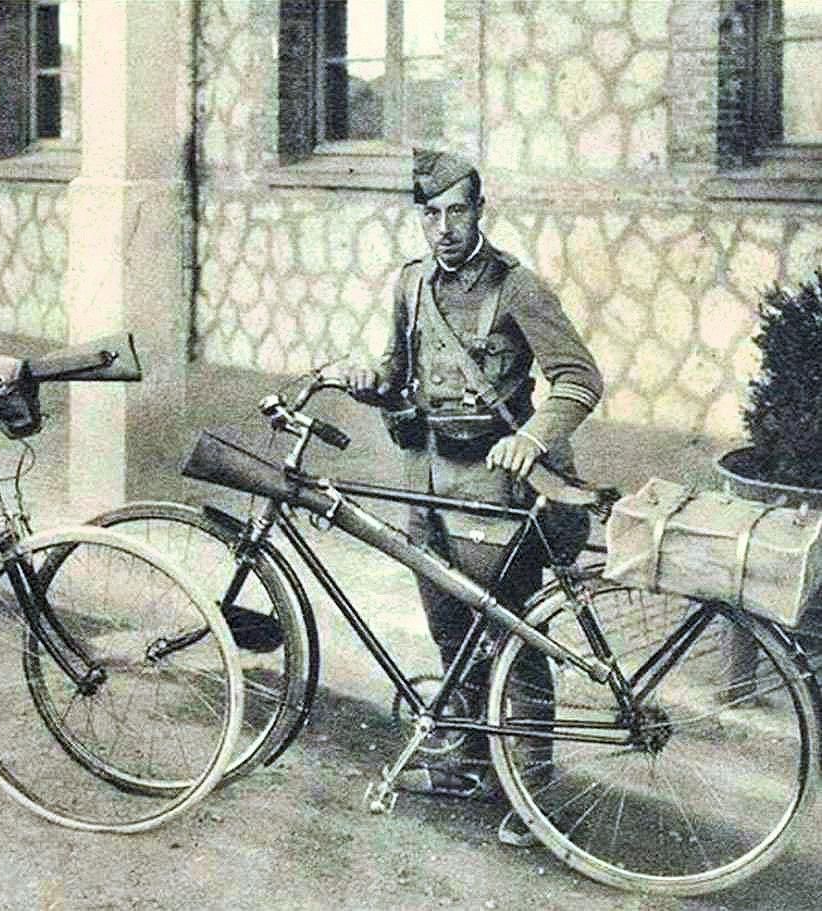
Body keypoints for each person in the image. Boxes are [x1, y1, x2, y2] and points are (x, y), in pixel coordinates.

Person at [346, 149, 603, 846]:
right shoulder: (411, 285)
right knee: (447, 628)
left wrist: (536, 436)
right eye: (430, 213)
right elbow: (399, 374)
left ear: (479, 211)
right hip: (425, 482)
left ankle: (532, 788)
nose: (445, 227)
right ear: (419, 218)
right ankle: (464, 760)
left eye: (458, 211)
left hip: (496, 483)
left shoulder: (519, 288)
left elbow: (580, 378)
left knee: (514, 632)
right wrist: (371, 379)